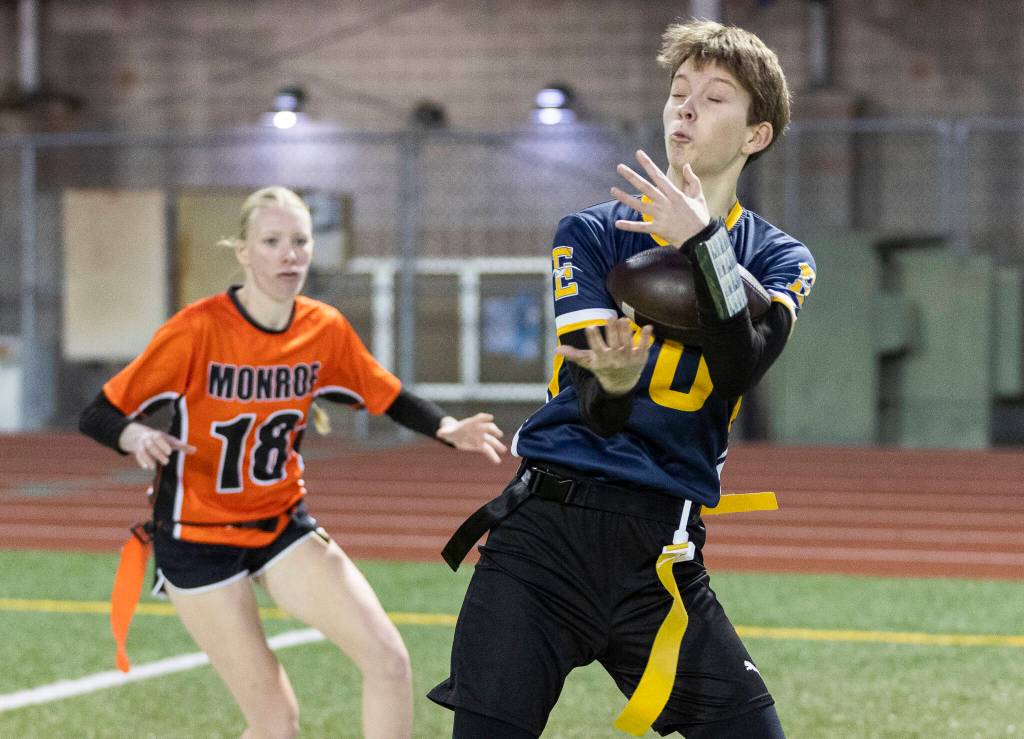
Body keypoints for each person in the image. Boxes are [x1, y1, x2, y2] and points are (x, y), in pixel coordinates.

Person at [429, 20, 816, 739]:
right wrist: (612, 384)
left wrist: (703, 243)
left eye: (714, 97)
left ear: (756, 134)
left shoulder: (780, 256)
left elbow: (740, 369)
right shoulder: (593, 230)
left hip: (660, 554)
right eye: (678, 93)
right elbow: (596, 411)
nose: (686, 109)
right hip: (545, 538)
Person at [79, 186, 506, 739]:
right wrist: (133, 432)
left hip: (280, 526)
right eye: (273, 241)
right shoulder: (197, 329)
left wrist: (446, 428)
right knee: (276, 724)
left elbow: (386, 393)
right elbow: (98, 413)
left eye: (300, 241)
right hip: (196, 538)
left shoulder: (322, 327)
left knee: (389, 660)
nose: (289, 254)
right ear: (243, 252)